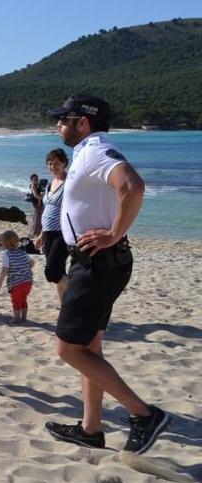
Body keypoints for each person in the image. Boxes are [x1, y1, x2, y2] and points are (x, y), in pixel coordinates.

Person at [44, 94, 169, 453]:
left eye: (63, 119)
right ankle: (91, 429)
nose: (58, 125)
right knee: (90, 347)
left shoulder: (97, 150)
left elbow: (133, 186)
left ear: (82, 122)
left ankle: (143, 415)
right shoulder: (87, 151)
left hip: (97, 264)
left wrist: (114, 232)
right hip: (98, 262)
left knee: (68, 349)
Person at [35, 149, 69, 304]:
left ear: (64, 163)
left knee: (52, 272)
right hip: (48, 233)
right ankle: (65, 306)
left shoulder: (69, 183)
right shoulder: (49, 183)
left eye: (56, 163)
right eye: (50, 163)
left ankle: (79, 288)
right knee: (59, 272)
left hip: (62, 233)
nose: (52, 166)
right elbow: (48, 210)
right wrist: (41, 235)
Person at [0, 230, 34, 322]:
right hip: (28, 282)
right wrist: (25, 268)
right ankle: (24, 318)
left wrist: (0, 281)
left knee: (16, 302)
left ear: (4, 244)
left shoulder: (6, 255)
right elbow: (32, 263)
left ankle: (16, 319)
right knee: (23, 300)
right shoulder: (23, 253)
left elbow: (5, 269)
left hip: (16, 283)